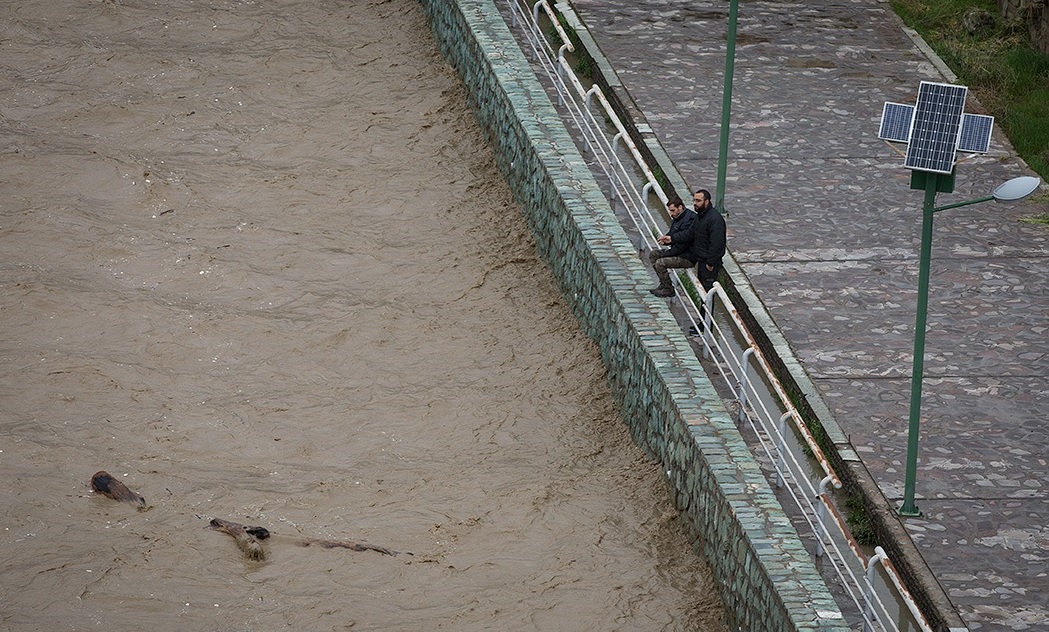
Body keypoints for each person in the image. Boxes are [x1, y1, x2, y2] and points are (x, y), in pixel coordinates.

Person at [647, 195, 697, 297]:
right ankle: (663, 283)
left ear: (680, 207)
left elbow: (683, 244)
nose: (671, 214)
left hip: (687, 256)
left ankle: (668, 289)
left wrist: (667, 254)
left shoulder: (691, 220)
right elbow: (673, 235)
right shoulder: (678, 217)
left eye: (673, 210)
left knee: (660, 263)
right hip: (678, 251)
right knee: (653, 255)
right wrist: (666, 240)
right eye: (670, 211)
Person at [691, 189, 727, 292]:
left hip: (708, 264)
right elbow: (691, 233)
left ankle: (706, 308)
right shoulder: (700, 216)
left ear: (706, 201)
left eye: (698, 201)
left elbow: (717, 243)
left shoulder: (715, 219)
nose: (695, 203)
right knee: (703, 291)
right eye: (694, 200)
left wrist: (710, 263)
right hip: (702, 260)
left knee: (707, 291)